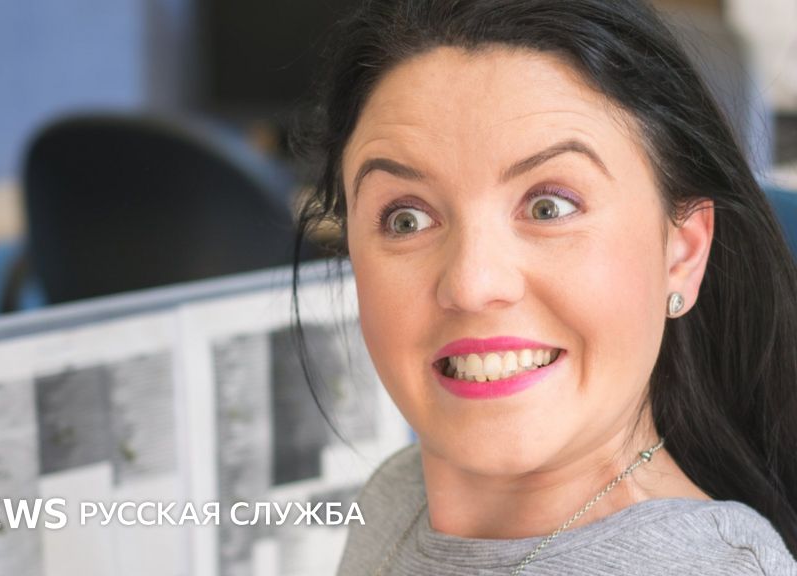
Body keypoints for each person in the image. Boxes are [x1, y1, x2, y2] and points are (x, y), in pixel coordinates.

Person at [290, 0, 797, 574]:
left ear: (683, 253)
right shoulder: (393, 501)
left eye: (550, 207)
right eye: (406, 219)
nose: (472, 284)